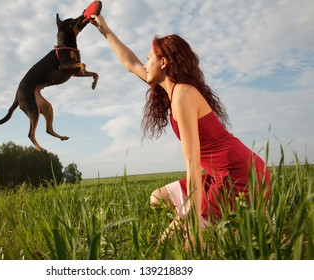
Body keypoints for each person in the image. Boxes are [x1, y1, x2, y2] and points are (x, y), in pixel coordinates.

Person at [91, 15, 271, 245]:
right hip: (218, 174)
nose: (145, 65)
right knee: (156, 198)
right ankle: (217, 222)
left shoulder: (183, 95)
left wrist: (192, 222)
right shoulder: (173, 90)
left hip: (239, 176)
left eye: (149, 59)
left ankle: (235, 223)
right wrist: (105, 30)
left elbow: (192, 164)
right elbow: (130, 64)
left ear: (163, 62)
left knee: (167, 242)